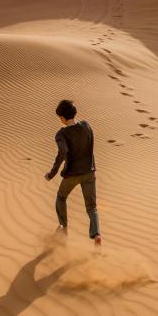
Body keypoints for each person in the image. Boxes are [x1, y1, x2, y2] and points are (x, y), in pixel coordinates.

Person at [45, 99, 101, 245]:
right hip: (89, 172)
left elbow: (62, 153)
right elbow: (91, 145)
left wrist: (52, 173)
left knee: (61, 197)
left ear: (62, 117)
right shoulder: (86, 126)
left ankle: (64, 228)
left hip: (72, 175)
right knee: (92, 207)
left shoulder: (61, 134)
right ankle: (96, 235)